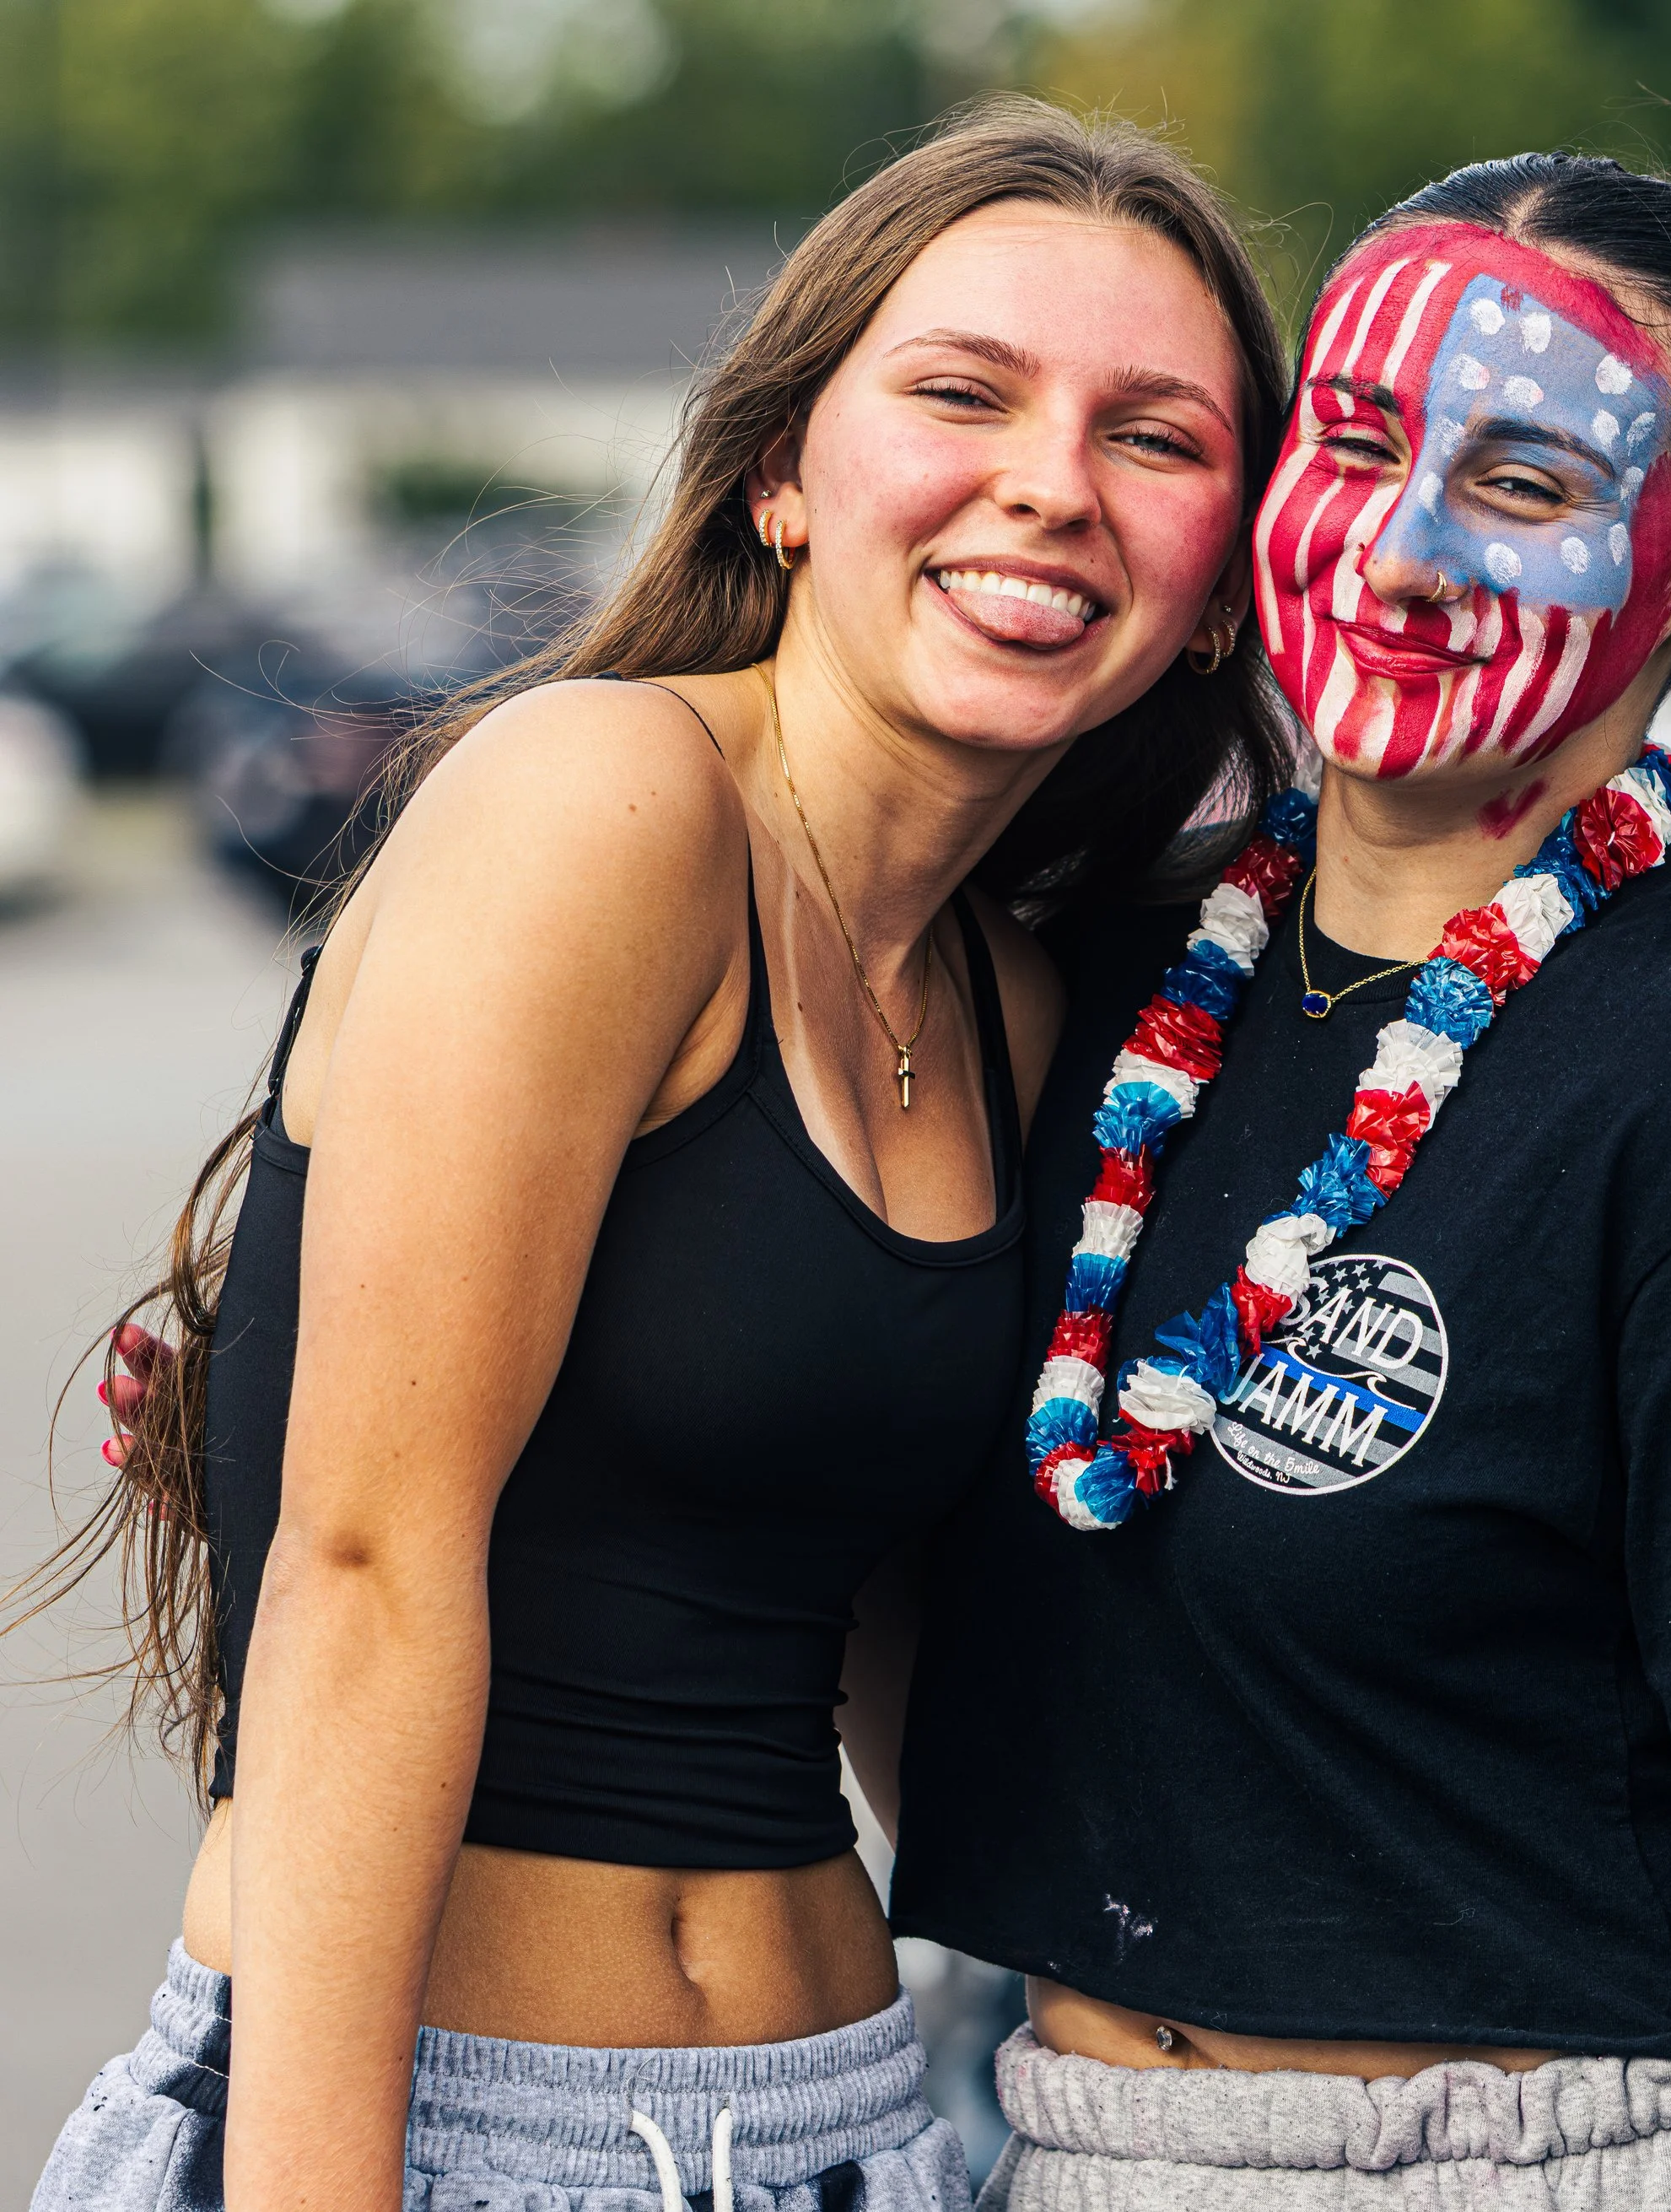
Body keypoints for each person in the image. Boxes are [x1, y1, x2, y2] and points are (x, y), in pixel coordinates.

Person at [23, 99, 1295, 2212]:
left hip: (847, 2136)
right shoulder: (601, 807)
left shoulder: (1024, 998)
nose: (1049, 484)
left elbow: (915, 1655)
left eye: (1152, 438)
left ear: (1217, 579)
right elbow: (359, 1576)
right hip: (444, 2134)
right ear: (784, 473)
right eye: (961, 393)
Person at [889, 154, 1671, 2209]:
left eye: (1522, 486)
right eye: (1354, 443)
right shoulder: (1086, 993)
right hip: (1055, 2145)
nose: (1404, 555)